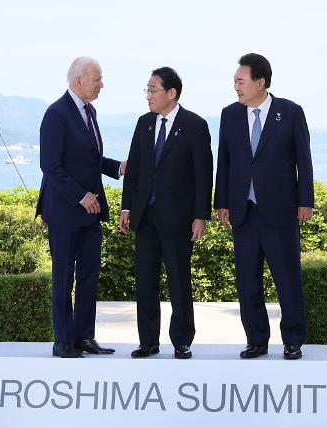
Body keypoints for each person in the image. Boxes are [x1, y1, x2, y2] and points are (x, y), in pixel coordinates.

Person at [214, 53, 314, 360]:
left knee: (287, 277)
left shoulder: (290, 112)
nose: (236, 87)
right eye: (234, 81)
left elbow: (303, 160)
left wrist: (305, 200)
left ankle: (293, 339)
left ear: (260, 82)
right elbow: (225, 162)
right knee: (247, 281)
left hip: (281, 210)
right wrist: (222, 203)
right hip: (243, 210)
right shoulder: (229, 114)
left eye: (240, 81)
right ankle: (256, 340)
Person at [119, 67, 213, 359]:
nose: (148, 96)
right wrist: (127, 206)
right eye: (146, 90)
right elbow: (133, 169)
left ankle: (182, 340)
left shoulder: (195, 125)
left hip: (179, 218)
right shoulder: (144, 123)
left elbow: (203, 175)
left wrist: (201, 216)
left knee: (178, 280)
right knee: (145, 280)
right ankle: (148, 341)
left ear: (171, 93)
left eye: (153, 90)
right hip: (145, 217)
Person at [37, 56, 125, 358]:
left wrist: (119, 168)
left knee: (89, 276)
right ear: (79, 81)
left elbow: (89, 159)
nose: (102, 84)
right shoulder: (56, 114)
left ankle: (85, 337)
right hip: (64, 211)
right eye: (97, 79)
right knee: (64, 277)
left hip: (91, 213)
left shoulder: (90, 112)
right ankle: (63, 342)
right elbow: (50, 165)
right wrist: (81, 196)